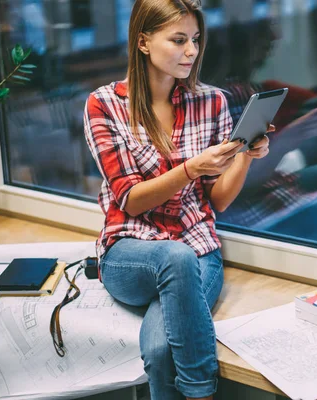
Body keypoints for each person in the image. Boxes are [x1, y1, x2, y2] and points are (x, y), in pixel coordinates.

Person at [83, 1, 273, 399]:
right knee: (175, 256)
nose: (192, 51)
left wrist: (243, 157)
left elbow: (217, 201)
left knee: (157, 347)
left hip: (198, 248)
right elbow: (131, 201)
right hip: (130, 252)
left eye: (196, 40)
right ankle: (202, 393)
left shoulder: (213, 102)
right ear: (143, 42)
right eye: (179, 39)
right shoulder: (104, 105)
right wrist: (191, 168)